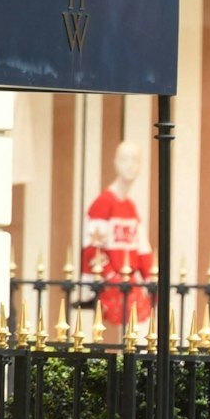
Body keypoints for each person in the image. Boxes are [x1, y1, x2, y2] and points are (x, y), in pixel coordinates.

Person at [81, 140, 154, 329]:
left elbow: (142, 249)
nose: (130, 166)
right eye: (124, 159)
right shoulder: (103, 203)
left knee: (140, 328)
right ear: (115, 162)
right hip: (110, 284)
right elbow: (92, 248)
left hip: (128, 283)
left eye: (135, 160)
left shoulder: (130, 207)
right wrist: (111, 276)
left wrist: (151, 280)